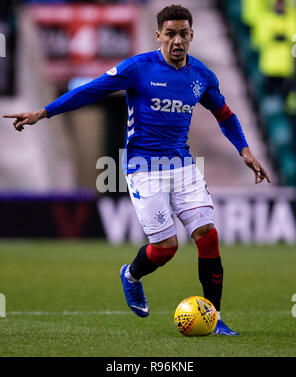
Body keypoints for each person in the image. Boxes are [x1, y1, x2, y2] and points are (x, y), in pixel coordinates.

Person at [3, 5, 270, 335]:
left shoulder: (201, 76)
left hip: (183, 165)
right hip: (143, 168)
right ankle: (131, 274)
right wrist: (44, 112)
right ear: (159, 35)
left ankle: (213, 317)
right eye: (170, 34)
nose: (176, 41)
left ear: (191, 36)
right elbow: (90, 91)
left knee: (207, 236)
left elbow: (225, 115)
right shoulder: (138, 68)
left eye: (183, 34)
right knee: (167, 248)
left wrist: (244, 149)